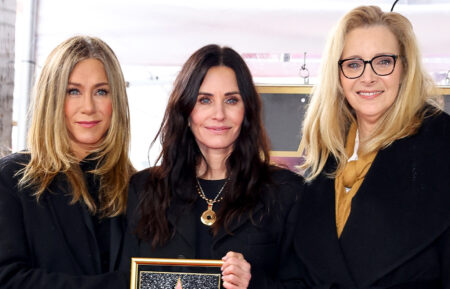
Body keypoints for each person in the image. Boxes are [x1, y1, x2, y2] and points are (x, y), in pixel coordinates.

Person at [120, 44, 304, 289]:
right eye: (204, 100)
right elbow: (126, 281)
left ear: (247, 110)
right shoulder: (144, 189)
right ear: (186, 111)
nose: (219, 114)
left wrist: (254, 282)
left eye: (231, 100)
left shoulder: (285, 191)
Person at [294, 5, 449, 289]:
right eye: (353, 64)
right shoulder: (325, 151)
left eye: (383, 61)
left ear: (404, 67)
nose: (368, 77)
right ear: (338, 76)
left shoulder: (442, 146)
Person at [0, 36, 135, 288]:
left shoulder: (139, 188)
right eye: (73, 91)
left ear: (116, 100)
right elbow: (7, 280)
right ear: (51, 99)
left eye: (101, 91)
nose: (88, 107)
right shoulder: (11, 179)